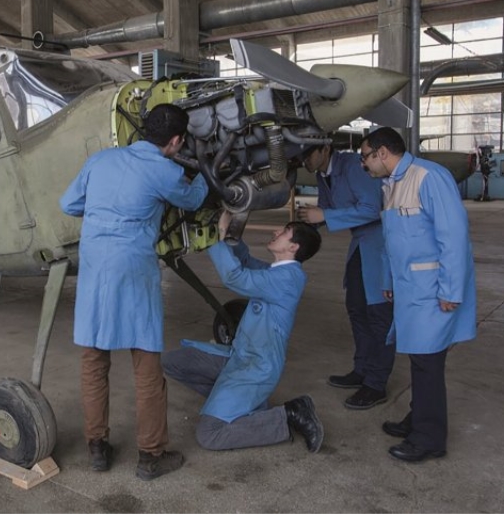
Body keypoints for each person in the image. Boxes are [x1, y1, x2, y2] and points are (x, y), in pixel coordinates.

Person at [59, 103, 209, 480]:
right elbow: (193, 200)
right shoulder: (164, 169)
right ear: (175, 142)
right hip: (132, 269)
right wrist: (208, 171)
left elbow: (68, 203)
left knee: (94, 361)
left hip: (94, 269)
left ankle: (97, 448)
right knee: (146, 366)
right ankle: (150, 456)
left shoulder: (100, 160)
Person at [359, 127, 477, 463]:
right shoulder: (391, 185)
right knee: (419, 358)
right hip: (411, 290)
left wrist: (452, 290)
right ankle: (419, 418)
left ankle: (429, 438)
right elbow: (393, 240)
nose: (364, 165)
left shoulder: (428, 177)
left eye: (365, 157)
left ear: (383, 152)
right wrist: (387, 278)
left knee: (427, 362)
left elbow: (453, 237)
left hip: (433, 290)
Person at [162, 212, 324, 454]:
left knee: (209, 435)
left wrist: (215, 237)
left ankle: (290, 414)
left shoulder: (288, 279)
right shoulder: (277, 271)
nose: (275, 232)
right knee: (171, 363)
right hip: (237, 357)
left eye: (283, 232)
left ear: (293, 246)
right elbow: (245, 261)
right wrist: (231, 234)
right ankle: (238, 404)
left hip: (256, 367)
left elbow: (235, 276)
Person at [297, 144, 395, 410]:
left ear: (324, 148)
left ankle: (376, 384)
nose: (304, 160)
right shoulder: (323, 174)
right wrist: (309, 222)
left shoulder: (352, 166)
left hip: (378, 247)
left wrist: (324, 214)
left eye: (308, 153)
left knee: (379, 316)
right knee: (356, 309)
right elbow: (329, 210)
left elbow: (371, 209)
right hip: (360, 247)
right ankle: (361, 369)